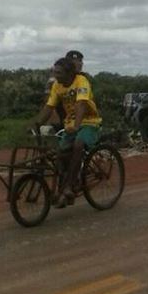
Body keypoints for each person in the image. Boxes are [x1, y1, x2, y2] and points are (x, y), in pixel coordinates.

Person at [32, 56, 101, 207]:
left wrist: (77, 126)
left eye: (59, 73)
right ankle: (66, 188)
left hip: (89, 122)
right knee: (61, 156)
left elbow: (81, 104)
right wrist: (37, 123)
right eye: (54, 72)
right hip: (70, 124)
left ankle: (69, 186)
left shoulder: (81, 81)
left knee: (78, 145)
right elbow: (49, 107)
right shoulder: (57, 85)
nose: (56, 75)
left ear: (69, 73)